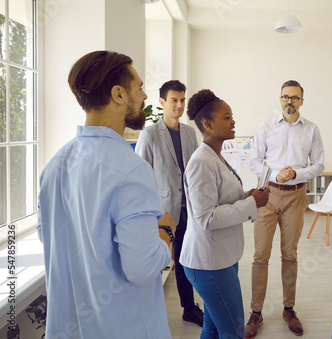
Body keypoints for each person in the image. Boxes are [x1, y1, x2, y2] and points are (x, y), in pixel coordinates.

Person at [37, 50, 176, 339]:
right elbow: (143, 267)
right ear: (119, 95)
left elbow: (47, 234)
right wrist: (165, 232)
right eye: (139, 88)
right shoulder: (131, 169)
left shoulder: (54, 165)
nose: (145, 96)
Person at [180, 89, 270, 338]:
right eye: (227, 116)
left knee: (212, 328)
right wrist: (252, 203)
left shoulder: (217, 156)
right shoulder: (201, 162)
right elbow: (206, 217)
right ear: (208, 124)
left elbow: (221, 200)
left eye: (232, 116)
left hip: (221, 258)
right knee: (232, 331)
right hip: (208, 262)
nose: (233, 121)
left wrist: (247, 197)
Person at [245, 80, 324, 338]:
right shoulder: (266, 127)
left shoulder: (311, 129)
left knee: (289, 254)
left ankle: (288, 309)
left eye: (294, 97)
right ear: (280, 99)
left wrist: (295, 173)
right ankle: (256, 313)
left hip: (295, 196)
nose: (289, 101)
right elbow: (254, 161)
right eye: (285, 97)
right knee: (260, 256)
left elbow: (319, 165)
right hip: (267, 194)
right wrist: (277, 174)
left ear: (302, 101)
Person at [135, 80, 203, 327]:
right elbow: (141, 179)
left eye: (182, 100)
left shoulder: (189, 132)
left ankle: (188, 308)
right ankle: (149, 314)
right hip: (162, 213)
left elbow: (196, 170)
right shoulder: (149, 134)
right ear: (162, 102)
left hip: (189, 209)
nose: (179, 105)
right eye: (174, 100)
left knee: (186, 260)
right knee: (157, 264)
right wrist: (153, 214)